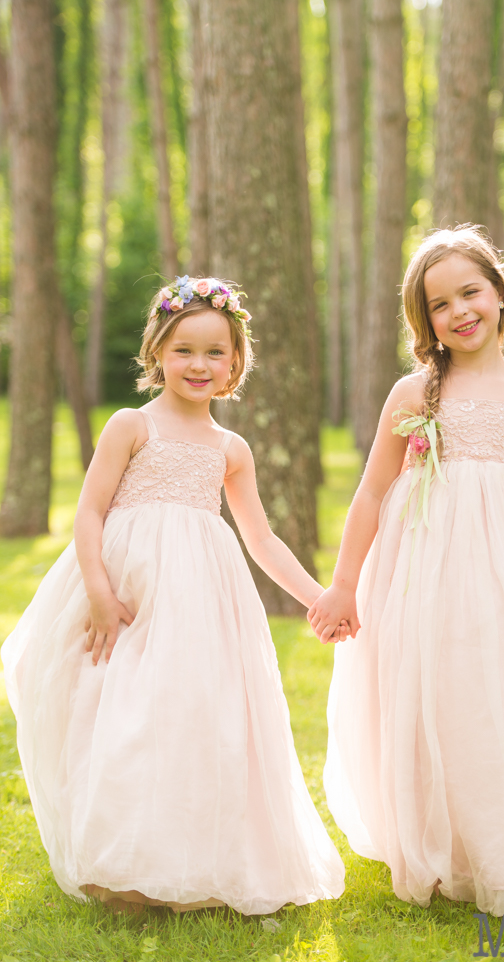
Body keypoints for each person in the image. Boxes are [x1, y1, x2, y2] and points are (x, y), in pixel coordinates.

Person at [1, 276, 345, 915]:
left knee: (192, 715)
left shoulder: (229, 449)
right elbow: (89, 514)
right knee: (123, 712)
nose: (199, 364)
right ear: (157, 351)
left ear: (235, 362)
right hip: (128, 588)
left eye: (216, 352)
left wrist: (320, 597)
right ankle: (120, 864)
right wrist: (100, 592)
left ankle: (192, 858)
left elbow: (262, 539)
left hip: (201, 600)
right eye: (184, 349)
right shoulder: (131, 426)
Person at [308, 227, 504, 917]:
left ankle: (503, 846)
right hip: (422, 571)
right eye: (439, 303)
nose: (459, 310)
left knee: (497, 696)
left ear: (499, 295)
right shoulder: (413, 393)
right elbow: (369, 493)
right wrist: (342, 582)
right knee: (431, 692)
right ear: (426, 322)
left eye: (469, 292)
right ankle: (436, 844)